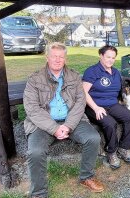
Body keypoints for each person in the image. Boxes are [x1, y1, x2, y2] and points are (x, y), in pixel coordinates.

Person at [24, 42, 104, 197]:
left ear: (65, 59)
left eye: (61, 56)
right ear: (47, 57)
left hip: (71, 120)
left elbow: (80, 103)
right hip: (43, 123)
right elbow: (32, 108)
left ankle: (86, 177)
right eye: (54, 56)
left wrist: (68, 125)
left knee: (93, 138)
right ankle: (39, 193)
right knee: (35, 151)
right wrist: (54, 128)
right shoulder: (35, 79)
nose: (57, 59)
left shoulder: (74, 76)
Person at [82, 45, 130, 170]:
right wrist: (96, 108)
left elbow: (118, 91)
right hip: (93, 106)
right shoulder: (92, 71)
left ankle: (124, 148)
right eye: (108, 57)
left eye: (113, 58)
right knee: (110, 123)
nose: (110, 60)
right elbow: (83, 93)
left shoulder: (116, 72)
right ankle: (111, 152)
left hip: (112, 104)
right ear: (101, 56)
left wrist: (123, 104)